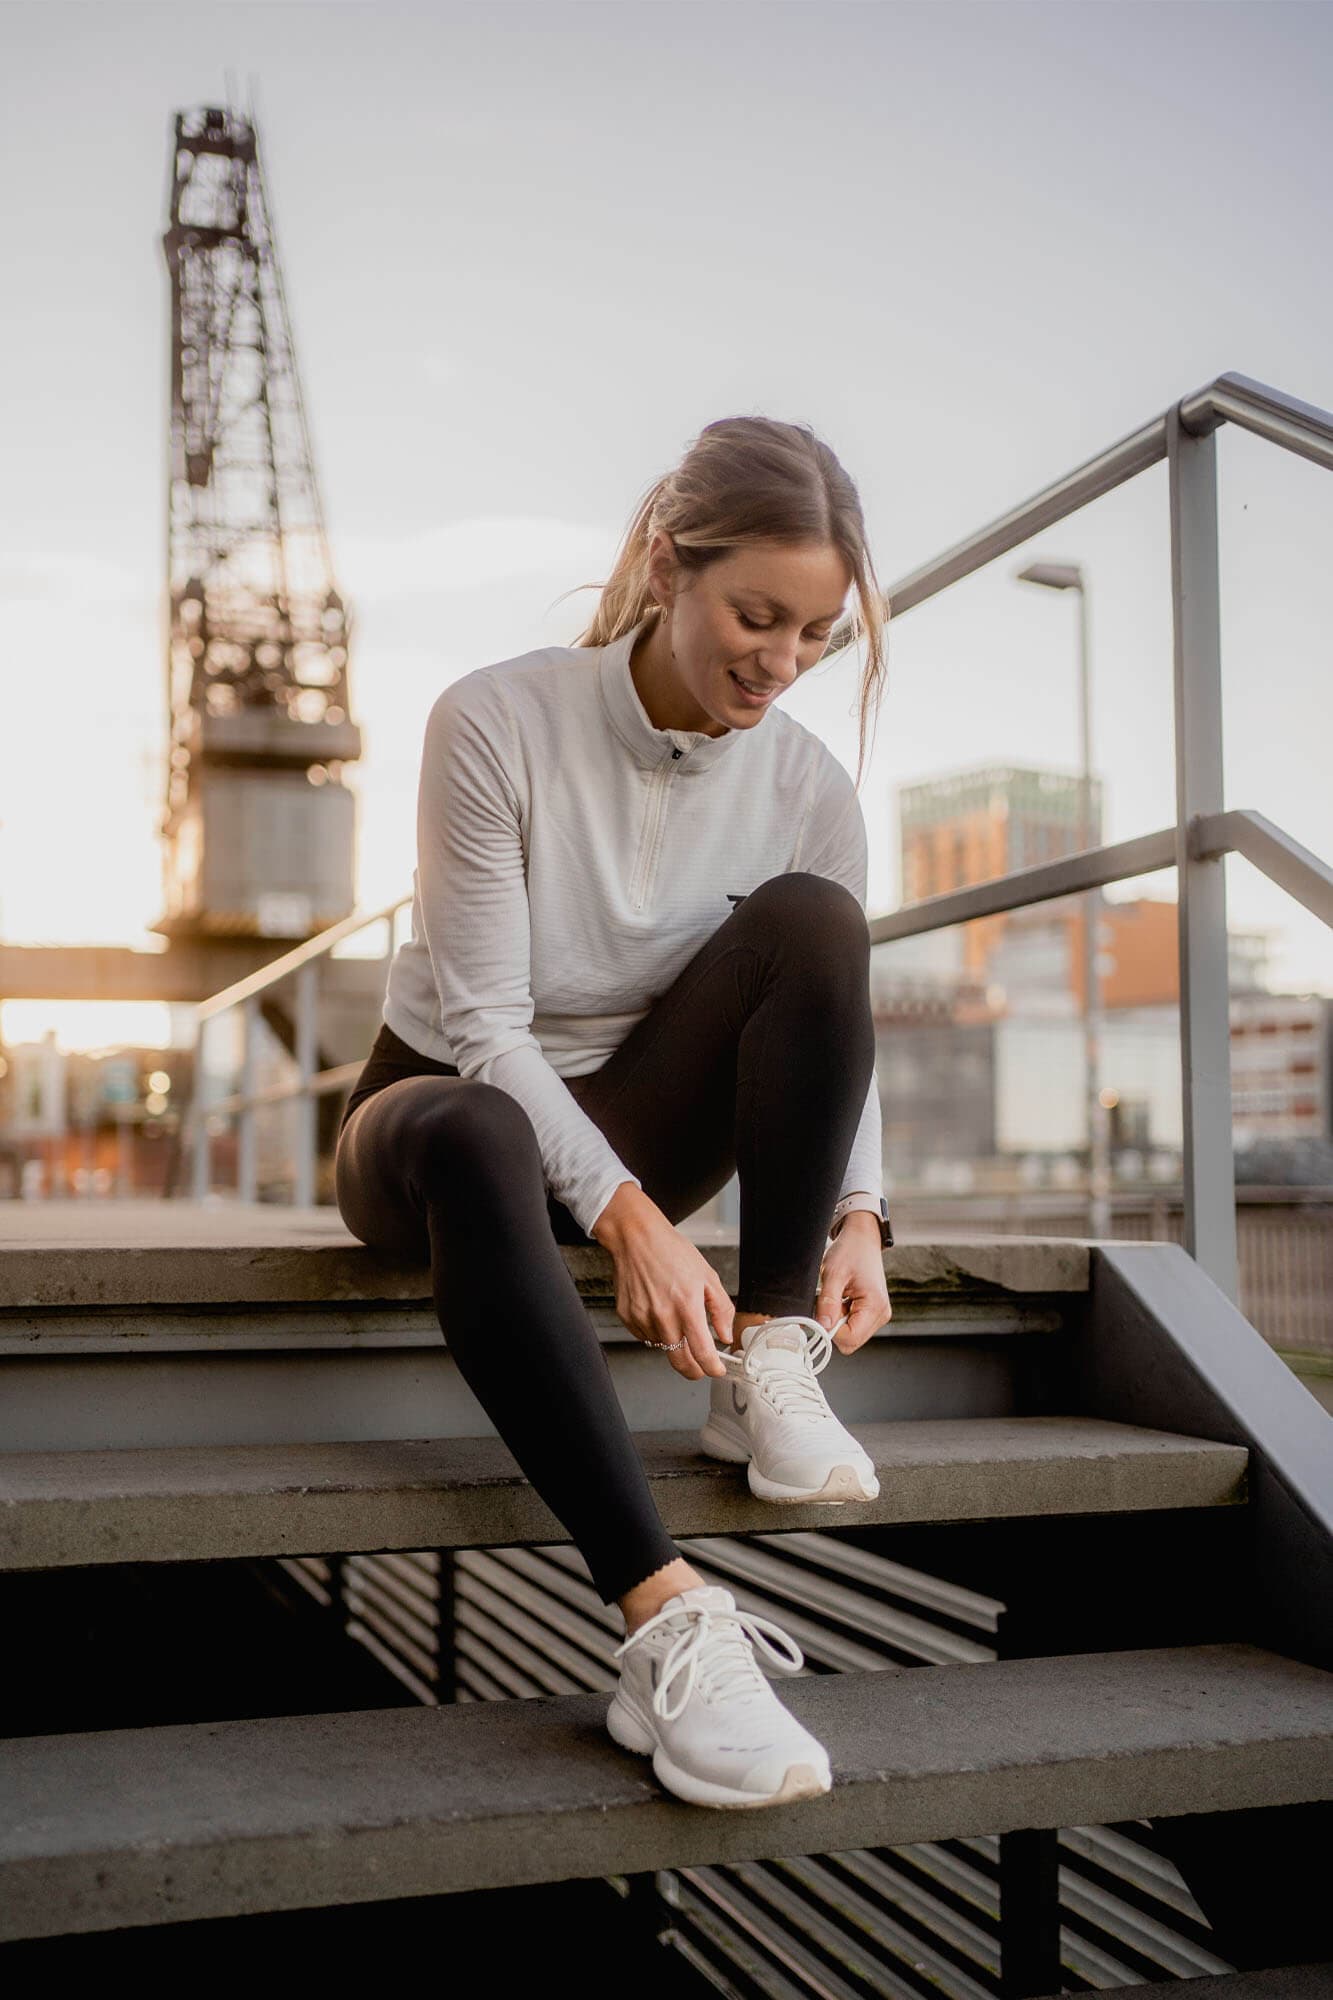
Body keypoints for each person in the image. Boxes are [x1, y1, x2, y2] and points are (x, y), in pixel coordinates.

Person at [334, 414, 894, 1811]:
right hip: (440, 1122)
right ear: (665, 567)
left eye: (816, 633)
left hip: (633, 1119)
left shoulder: (807, 786)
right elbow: (486, 1032)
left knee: (817, 921)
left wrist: (859, 1211)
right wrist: (630, 1219)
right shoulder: (495, 718)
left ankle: (768, 1354)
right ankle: (664, 1619)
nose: (781, 661)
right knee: (481, 1127)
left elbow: (830, 1014)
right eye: (754, 617)